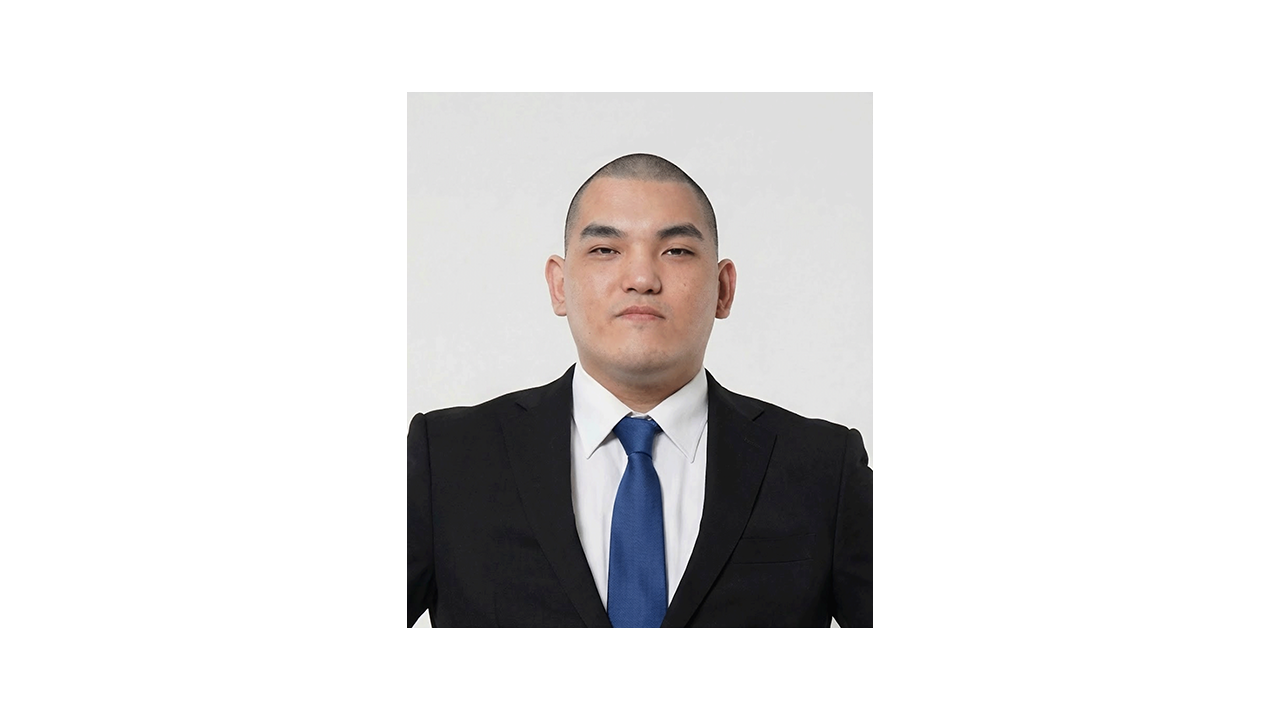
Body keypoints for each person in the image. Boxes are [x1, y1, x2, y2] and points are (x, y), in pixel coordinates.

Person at [407, 153, 871, 627]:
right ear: (559, 285)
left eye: (677, 251)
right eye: (605, 250)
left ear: (723, 288)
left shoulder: (823, 469)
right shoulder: (446, 459)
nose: (642, 279)